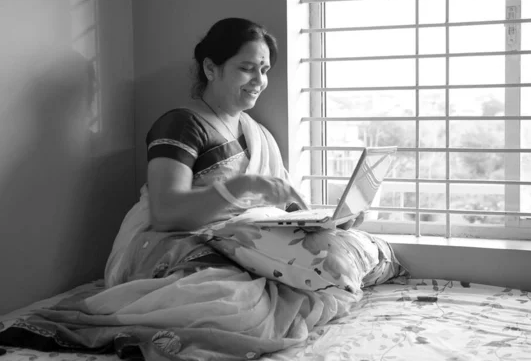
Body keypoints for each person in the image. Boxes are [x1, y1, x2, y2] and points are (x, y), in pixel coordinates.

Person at [105, 17, 362, 288]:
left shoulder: (257, 133)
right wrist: (242, 186)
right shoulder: (181, 125)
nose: (259, 81)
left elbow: (285, 205)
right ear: (210, 68)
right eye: (247, 68)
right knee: (229, 294)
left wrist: (327, 223)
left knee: (344, 249)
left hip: (242, 241)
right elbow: (165, 214)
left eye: (264, 70)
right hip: (178, 246)